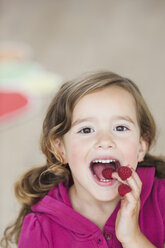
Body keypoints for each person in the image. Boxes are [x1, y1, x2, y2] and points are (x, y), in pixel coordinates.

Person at [1, 71, 165, 248]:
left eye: (120, 127)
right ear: (60, 149)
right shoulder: (40, 227)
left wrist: (132, 238)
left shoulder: (161, 199)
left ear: (141, 146)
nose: (105, 141)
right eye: (86, 130)